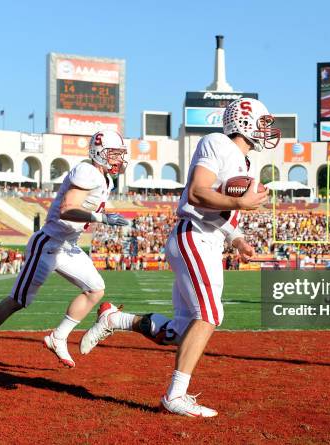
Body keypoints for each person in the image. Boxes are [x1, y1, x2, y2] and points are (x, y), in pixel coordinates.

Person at [80, 98, 280, 417]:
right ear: (244, 121)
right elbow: (198, 192)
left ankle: (114, 318)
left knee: (178, 332)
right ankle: (175, 395)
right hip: (194, 236)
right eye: (262, 122)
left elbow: (216, 208)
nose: (267, 130)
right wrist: (241, 204)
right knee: (211, 315)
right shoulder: (217, 142)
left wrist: (236, 236)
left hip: (208, 239)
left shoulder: (244, 164)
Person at [0, 129, 129, 373]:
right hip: (49, 244)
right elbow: (67, 208)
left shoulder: (106, 179)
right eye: (114, 154)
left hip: (69, 247)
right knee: (17, 301)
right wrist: (101, 218)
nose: (119, 159)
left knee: (95, 289)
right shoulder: (87, 171)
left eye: (119, 154)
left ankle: (58, 337)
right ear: (99, 153)